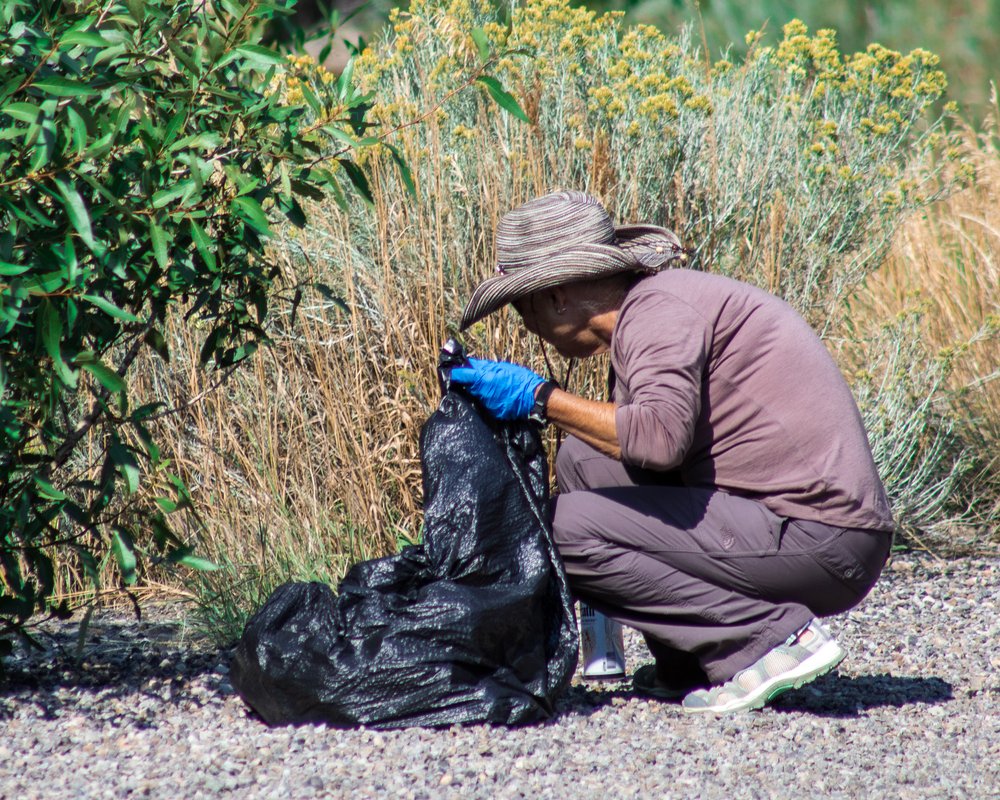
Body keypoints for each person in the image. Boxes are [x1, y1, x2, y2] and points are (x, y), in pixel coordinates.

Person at [449, 190, 895, 714]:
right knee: (580, 462)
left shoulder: (658, 315)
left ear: (556, 296)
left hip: (826, 539)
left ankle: (764, 643)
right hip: (795, 522)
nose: (526, 324)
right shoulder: (652, 308)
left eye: (523, 306)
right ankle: (688, 665)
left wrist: (541, 398)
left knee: (560, 529)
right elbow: (646, 445)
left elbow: (660, 440)